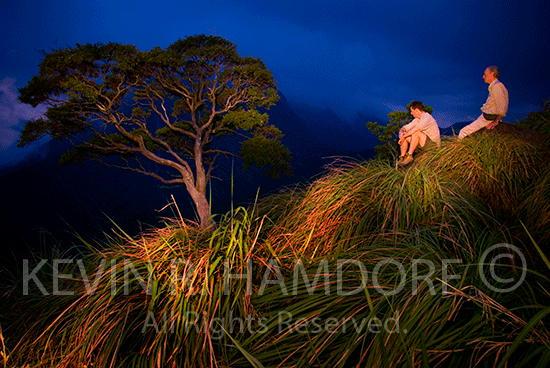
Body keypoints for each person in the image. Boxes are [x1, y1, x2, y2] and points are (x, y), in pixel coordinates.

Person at [458, 66, 508, 139]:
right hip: (486, 117)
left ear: (492, 74)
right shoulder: (498, 86)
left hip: (487, 119)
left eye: (485, 74)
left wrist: (497, 120)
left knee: (463, 132)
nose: (483, 76)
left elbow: (502, 105)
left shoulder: (497, 87)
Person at [398, 101, 441, 166]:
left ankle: (409, 155)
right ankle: (402, 157)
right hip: (423, 143)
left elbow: (416, 129)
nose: (411, 113)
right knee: (405, 134)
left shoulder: (427, 117)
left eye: (412, 111)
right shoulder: (417, 119)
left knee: (416, 132)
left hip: (433, 146)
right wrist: (401, 134)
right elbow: (404, 128)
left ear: (417, 110)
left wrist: (403, 136)